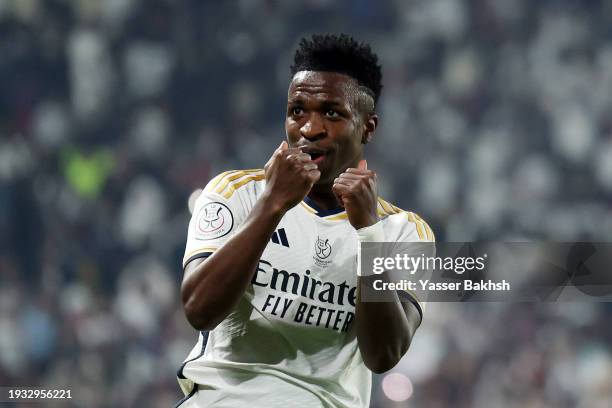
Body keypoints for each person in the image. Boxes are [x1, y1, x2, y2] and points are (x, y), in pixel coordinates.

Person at [176, 33, 435, 408]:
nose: (309, 129)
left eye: (332, 112)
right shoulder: (235, 193)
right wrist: (272, 205)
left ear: (368, 127)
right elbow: (199, 310)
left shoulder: (405, 231)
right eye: (297, 110)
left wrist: (368, 233)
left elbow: (384, 354)